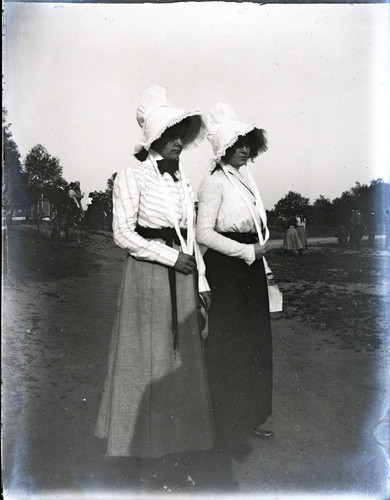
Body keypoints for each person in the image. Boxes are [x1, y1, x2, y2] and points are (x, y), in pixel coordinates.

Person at [95, 86, 214, 458]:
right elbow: (122, 234)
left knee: (180, 361)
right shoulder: (133, 177)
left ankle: (178, 440)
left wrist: (202, 280)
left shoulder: (182, 181)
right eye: (169, 135)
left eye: (181, 135)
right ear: (153, 139)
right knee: (147, 359)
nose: (177, 142)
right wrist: (168, 257)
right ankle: (143, 446)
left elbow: (190, 237)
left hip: (182, 276)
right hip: (148, 277)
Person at [196, 102, 274, 448]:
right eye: (236, 144)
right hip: (228, 269)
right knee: (229, 344)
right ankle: (222, 424)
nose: (244, 149)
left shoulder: (245, 179)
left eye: (247, 143)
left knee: (255, 343)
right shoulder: (213, 182)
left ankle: (249, 416)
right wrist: (245, 252)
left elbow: (256, 226)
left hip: (251, 266)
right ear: (223, 148)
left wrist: (257, 255)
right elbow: (204, 234)